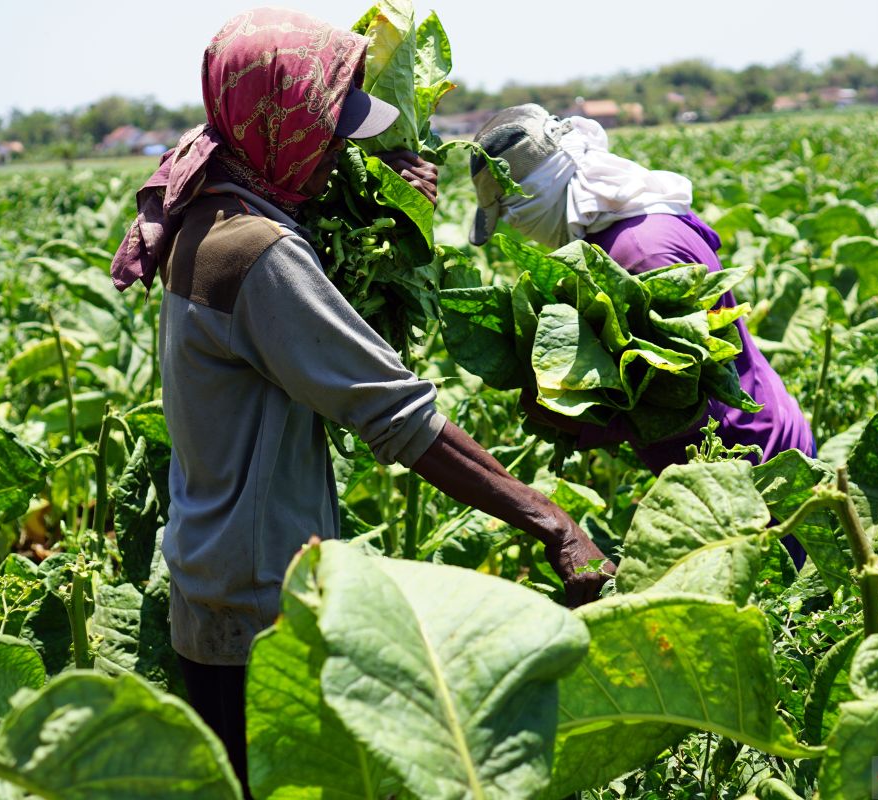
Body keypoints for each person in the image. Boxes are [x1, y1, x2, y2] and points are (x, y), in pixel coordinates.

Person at [109, 12, 612, 796]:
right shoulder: (259, 252)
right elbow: (399, 416)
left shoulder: (204, 210)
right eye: (328, 128)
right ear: (274, 122)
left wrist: (396, 218)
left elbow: (298, 345)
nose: (340, 148)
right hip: (260, 609)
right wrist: (552, 521)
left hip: (218, 586)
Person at [468, 104, 815, 473]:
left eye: (509, 214)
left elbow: (688, 398)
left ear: (534, 197)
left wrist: (575, 420)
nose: (516, 228)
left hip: (750, 463)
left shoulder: (636, 253)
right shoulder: (631, 219)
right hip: (746, 446)